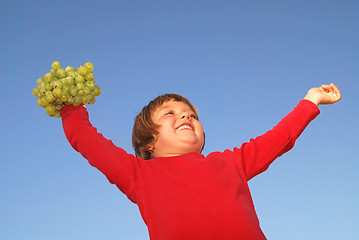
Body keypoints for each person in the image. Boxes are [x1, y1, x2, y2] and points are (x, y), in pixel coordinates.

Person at [61, 83, 341, 240]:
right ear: (149, 143)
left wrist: (310, 101)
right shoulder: (138, 174)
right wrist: (72, 110)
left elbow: (279, 138)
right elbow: (89, 143)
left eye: (191, 114)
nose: (186, 117)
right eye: (170, 113)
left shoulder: (230, 162)